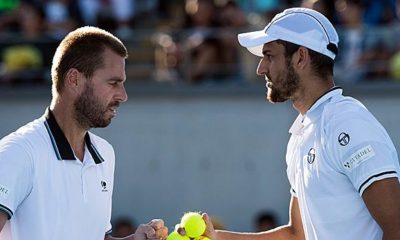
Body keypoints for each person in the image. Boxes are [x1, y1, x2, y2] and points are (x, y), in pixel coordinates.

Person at [200, 7, 400, 240]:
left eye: (269, 56)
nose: (260, 68)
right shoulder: (301, 133)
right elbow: (297, 234)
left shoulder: (348, 122)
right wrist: (216, 238)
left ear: (301, 58)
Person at [0, 26, 168, 240]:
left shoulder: (105, 154)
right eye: (113, 83)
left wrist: (136, 239)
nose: (123, 95)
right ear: (74, 79)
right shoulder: (19, 152)